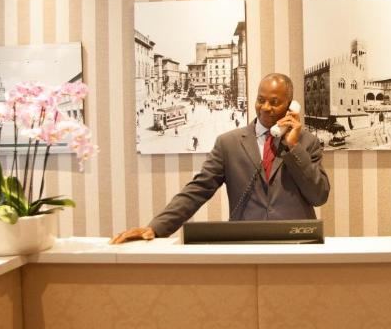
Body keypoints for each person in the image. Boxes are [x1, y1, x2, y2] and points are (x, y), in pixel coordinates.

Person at [111, 73, 331, 242]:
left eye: (274, 102)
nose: (265, 108)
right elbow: (198, 189)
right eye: (260, 100)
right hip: (245, 243)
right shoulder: (229, 143)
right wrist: (156, 228)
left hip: (297, 243)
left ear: (291, 106)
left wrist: (293, 147)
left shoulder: (306, 143)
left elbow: (318, 195)